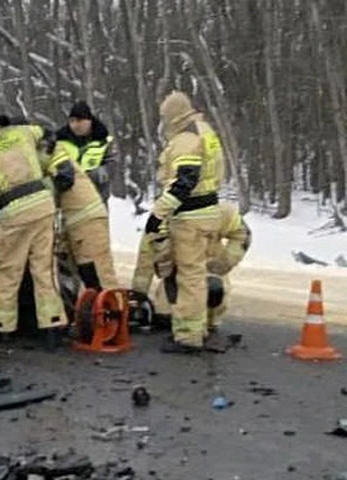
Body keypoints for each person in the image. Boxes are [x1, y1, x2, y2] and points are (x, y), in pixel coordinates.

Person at [0, 105, 67, 347]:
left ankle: (1, 327)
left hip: (13, 210)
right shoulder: (22, 131)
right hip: (43, 204)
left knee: (7, 271)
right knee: (44, 269)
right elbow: (49, 132)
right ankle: (52, 326)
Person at [144, 91, 225, 353]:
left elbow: (185, 180)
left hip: (190, 215)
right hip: (210, 211)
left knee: (189, 277)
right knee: (199, 274)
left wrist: (159, 212)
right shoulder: (206, 132)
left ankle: (188, 336)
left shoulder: (185, 140)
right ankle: (200, 326)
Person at [130, 201, 250, 336]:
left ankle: (208, 319)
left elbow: (243, 234)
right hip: (176, 277)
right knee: (165, 316)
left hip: (209, 276)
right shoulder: (160, 218)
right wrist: (138, 297)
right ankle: (181, 319)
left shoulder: (219, 212)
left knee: (213, 290)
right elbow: (145, 260)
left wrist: (223, 263)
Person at [45, 141, 120, 291]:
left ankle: (113, 311)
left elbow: (65, 179)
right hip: (70, 220)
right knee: (72, 276)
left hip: (86, 218)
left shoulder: (49, 149)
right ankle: (80, 311)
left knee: (99, 277)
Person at [56, 101, 116, 203]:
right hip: (69, 201)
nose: (75, 125)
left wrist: (93, 175)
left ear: (89, 121)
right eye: (72, 121)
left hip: (97, 199)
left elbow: (112, 167)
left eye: (79, 120)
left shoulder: (104, 141)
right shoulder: (59, 142)